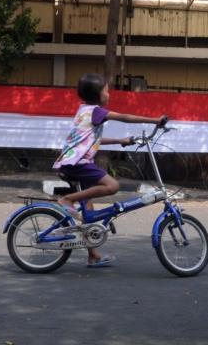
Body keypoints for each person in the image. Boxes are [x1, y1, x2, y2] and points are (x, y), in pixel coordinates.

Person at [53, 73, 167, 268]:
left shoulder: (84, 110)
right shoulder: (96, 111)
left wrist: (120, 141)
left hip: (70, 162)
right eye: (106, 91)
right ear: (98, 94)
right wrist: (154, 120)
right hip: (78, 163)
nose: (109, 94)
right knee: (112, 185)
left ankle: (93, 255)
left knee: (88, 213)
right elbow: (123, 117)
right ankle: (67, 200)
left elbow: (91, 139)